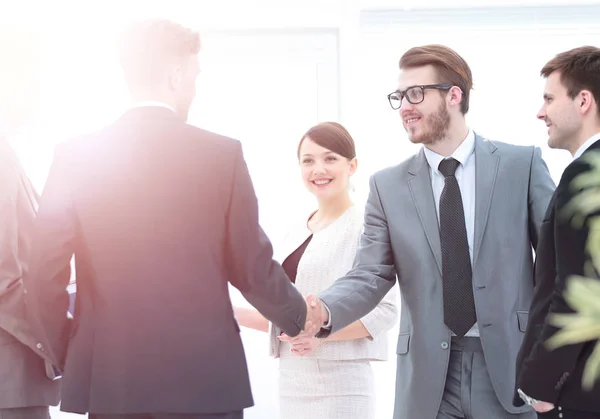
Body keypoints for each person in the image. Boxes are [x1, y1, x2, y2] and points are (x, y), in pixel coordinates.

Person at [22, 18, 316, 419]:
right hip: (207, 381)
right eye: (194, 74)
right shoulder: (221, 156)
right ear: (176, 75)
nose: (195, 85)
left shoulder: (75, 157)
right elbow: (251, 266)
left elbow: (41, 275)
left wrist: (72, 353)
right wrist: (299, 317)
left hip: (113, 382)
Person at [304, 44, 556, 419]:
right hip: (427, 377)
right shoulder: (388, 186)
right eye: (399, 96)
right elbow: (369, 274)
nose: (405, 106)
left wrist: (558, 354)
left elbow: (558, 263)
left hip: (509, 364)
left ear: (454, 95)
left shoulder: (522, 166)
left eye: (416, 93)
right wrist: (324, 309)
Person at [235, 121, 397, 419]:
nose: (318, 169)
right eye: (308, 161)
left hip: (342, 387)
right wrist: (227, 311)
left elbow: (385, 311)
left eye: (330, 158)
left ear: (352, 165)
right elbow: (285, 317)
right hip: (293, 383)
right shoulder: (294, 231)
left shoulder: (366, 227)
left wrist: (320, 334)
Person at [515, 46, 600, 419]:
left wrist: (540, 385)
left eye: (549, 98)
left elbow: (578, 290)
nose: (540, 112)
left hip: (579, 392)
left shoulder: (585, 175)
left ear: (583, 101)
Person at [0, 24, 61, 419]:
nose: (43, 92)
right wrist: (59, 340)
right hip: (11, 381)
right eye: (37, 77)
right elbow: (4, 278)